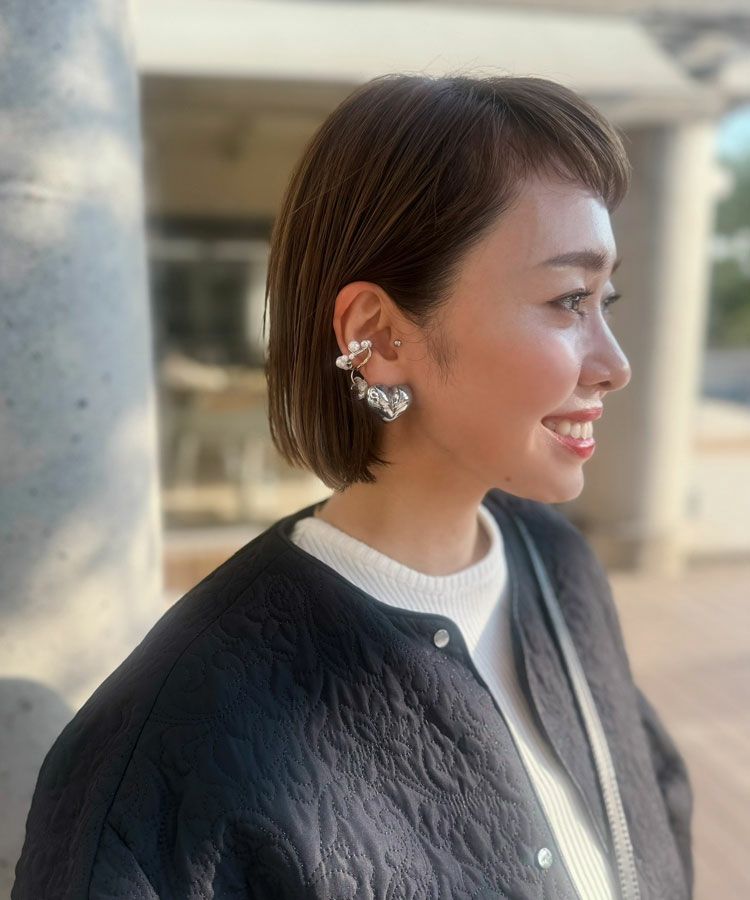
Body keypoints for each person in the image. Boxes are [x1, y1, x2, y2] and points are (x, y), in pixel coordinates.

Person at [13, 73, 693, 900]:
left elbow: (652, 810)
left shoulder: (561, 567)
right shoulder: (169, 743)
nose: (616, 364)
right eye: (568, 300)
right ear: (379, 336)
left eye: (606, 298)